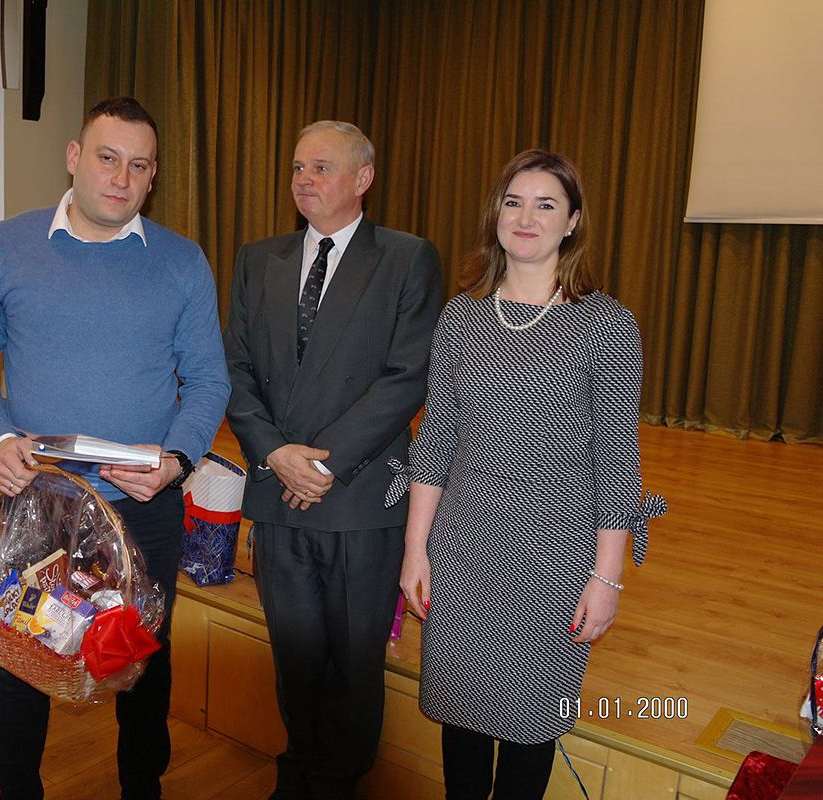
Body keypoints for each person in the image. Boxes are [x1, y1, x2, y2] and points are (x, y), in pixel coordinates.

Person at [0, 97, 229, 800]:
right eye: (107, 158)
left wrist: (176, 462)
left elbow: (208, 380)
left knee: (143, 663)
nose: (121, 178)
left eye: (140, 165)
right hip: (34, 503)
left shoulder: (182, 262)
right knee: (24, 660)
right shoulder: (4, 247)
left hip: (143, 504)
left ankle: (143, 788)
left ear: (153, 176)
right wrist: (0, 438)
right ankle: (17, 789)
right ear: (74, 157)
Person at [384, 149, 667, 799]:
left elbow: (617, 461)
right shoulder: (462, 318)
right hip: (463, 550)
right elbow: (437, 440)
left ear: (573, 222)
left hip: (554, 560)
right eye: (514, 202)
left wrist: (607, 577)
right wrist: (415, 550)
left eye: (546, 205)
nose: (526, 218)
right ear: (496, 214)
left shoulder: (606, 325)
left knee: (530, 725)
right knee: (460, 717)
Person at [224, 120, 443, 799]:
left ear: (363, 178)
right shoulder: (258, 259)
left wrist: (323, 464)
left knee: (352, 667)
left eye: (321, 167)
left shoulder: (406, 259)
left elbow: (408, 376)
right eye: (298, 167)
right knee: (294, 662)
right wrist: (274, 452)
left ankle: (339, 784)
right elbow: (234, 370)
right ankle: (298, 776)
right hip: (277, 497)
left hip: (357, 499)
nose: (304, 179)